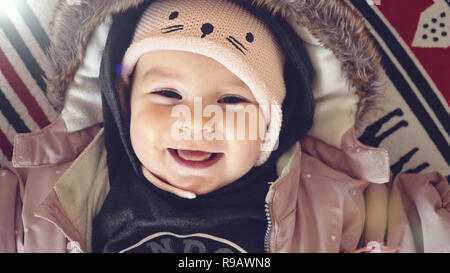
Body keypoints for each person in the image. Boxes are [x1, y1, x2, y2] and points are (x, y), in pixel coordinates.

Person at [0, 0, 448, 253]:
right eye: (168, 95)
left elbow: (421, 228)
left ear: (271, 128)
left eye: (232, 101)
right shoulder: (42, 197)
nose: (195, 123)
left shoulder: (333, 199)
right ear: (123, 104)